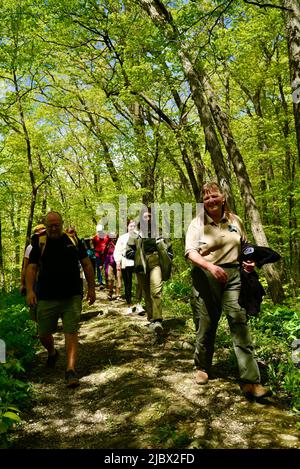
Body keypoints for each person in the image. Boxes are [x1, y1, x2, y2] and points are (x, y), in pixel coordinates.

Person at [185, 182, 271, 399]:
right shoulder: (197, 223)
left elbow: (245, 246)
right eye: (206, 198)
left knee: (239, 321)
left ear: (223, 198)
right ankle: (202, 367)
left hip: (234, 276)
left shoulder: (235, 221)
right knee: (206, 323)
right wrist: (210, 267)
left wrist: (249, 261)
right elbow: (190, 253)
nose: (210, 200)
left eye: (214, 196)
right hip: (206, 276)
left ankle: (250, 380)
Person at [26, 211, 96, 388]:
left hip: (71, 294)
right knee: (43, 333)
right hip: (46, 296)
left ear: (62, 224)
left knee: (70, 331)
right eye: (50, 225)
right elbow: (32, 268)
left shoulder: (73, 241)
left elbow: (87, 263)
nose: (54, 228)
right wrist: (29, 291)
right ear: (46, 226)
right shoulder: (38, 242)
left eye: (57, 224)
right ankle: (52, 352)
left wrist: (92, 288)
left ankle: (70, 370)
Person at [126, 208, 173, 338]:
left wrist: (167, 256)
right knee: (146, 292)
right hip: (141, 264)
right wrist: (137, 256)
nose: (147, 219)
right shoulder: (135, 234)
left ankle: (158, 320)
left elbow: (169, 247)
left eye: (149, 217)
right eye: (145, 217)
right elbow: (128, 251)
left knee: (156, 290)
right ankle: (151, 319)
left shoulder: (160, 231)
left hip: (156, 261)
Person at [113, 220, 145, 315]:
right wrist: (118, 262)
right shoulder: (122, 238)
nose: (132, 228)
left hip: (138, 262)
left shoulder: (140, 237)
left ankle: (138, 304)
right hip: (125, 262)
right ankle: (129, 305)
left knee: (139, 283)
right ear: (127, 227)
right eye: (130, 226)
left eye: (134, 226)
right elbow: (117, 250)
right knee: (128, 284)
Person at [20, 224, 46, 296]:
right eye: (38, 233)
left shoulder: (50, 244)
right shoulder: (30, 247)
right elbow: (25, 266)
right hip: (34, 279)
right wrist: (22, 284)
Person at [103, 232, 121, 300]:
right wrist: (102, 264)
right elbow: (104, 254)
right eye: (112, 238)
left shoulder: (120, 244)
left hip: (118, 262)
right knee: (110, 278)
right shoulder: (108, 245)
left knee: (118, 278)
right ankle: (110, 291)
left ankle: (117, 294)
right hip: (109, 262)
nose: (114, 239)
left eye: (115, 237)